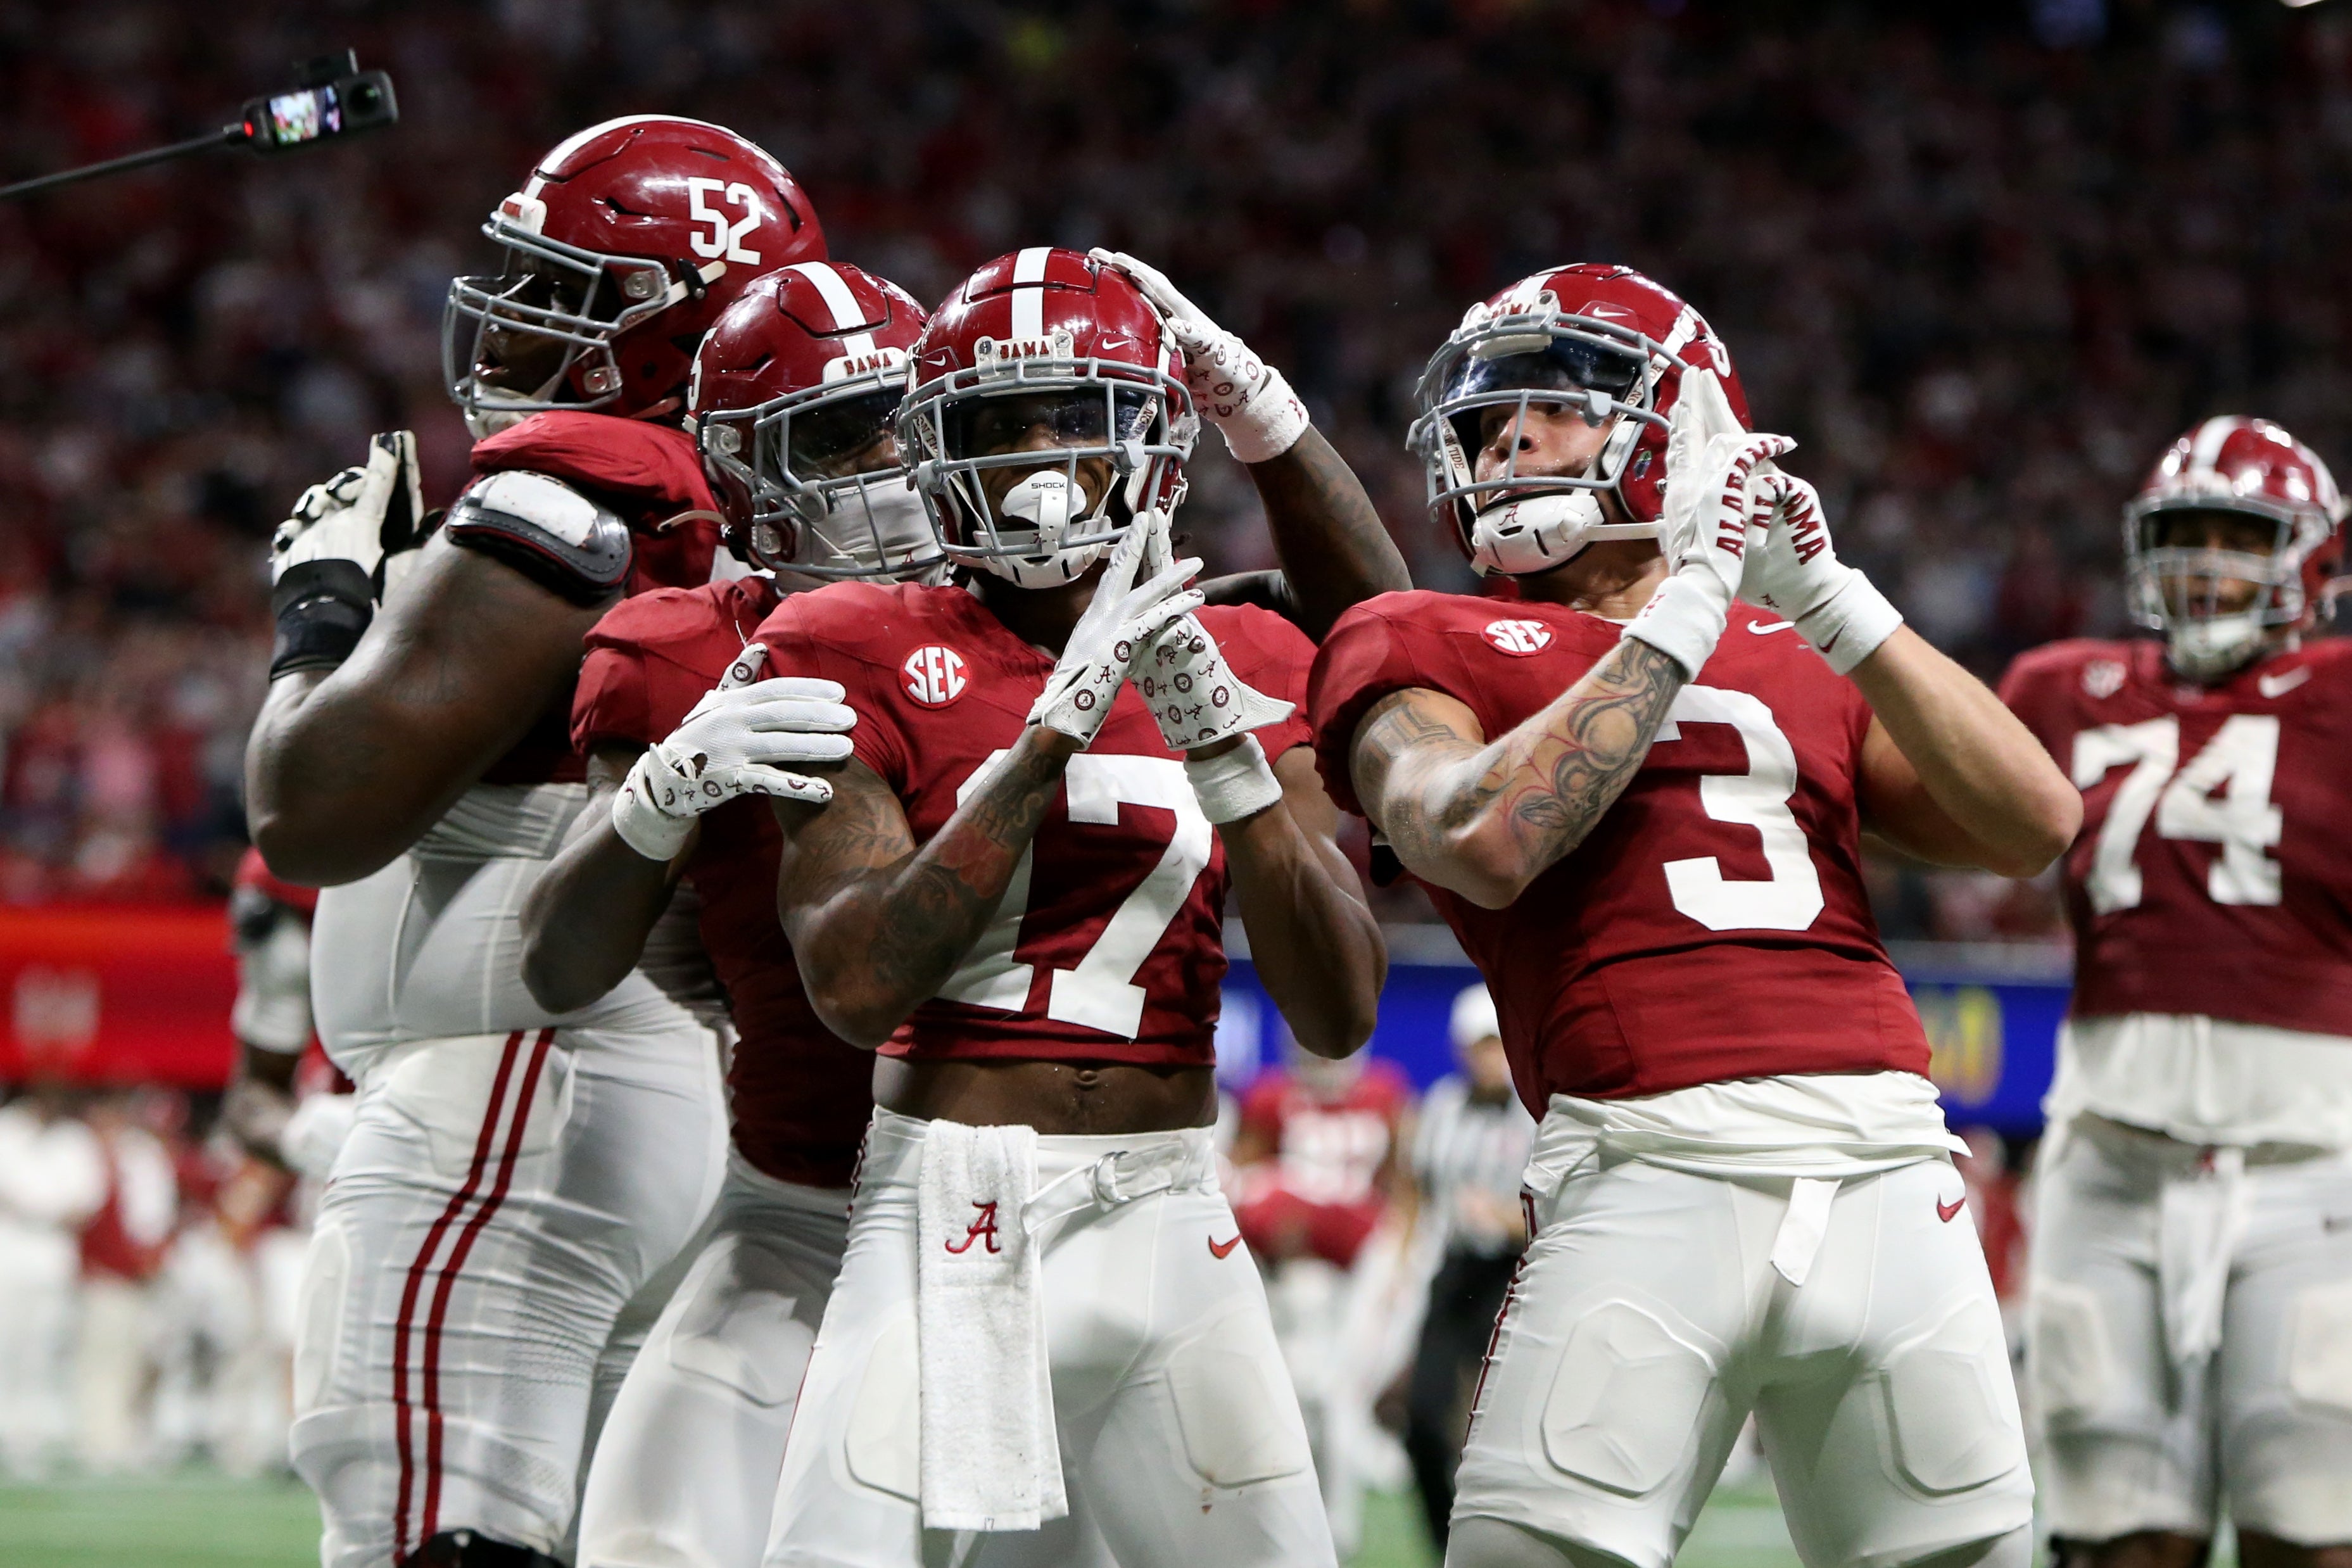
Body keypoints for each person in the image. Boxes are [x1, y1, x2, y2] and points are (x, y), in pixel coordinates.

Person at [1309, 263, 2080, 1568]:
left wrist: (1838, 602)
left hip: (1892, 1163)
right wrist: (1678, 616)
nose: (1504, 442)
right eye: (1488, 421)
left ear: (1679, 432)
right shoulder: (1419, 633)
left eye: (1548, 408)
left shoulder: (1799, 646)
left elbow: (2038, 824)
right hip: (1645, 1161)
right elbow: (1481, 836)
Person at [242, 117, 849, 1568]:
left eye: (574, 290)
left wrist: (321, 608)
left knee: (424, 1522)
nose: (516, 317)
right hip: (587, 1069)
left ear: (688, 329)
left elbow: (309, 811)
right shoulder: (698, 512)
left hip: (521, 1069)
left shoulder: (572, 487)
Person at [752, 245, 1401, 1568]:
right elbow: (856, 984)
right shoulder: (854, 638)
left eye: (1077, 415)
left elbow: (1337, 1009)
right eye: (999, 424)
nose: (1039, 458)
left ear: (1153, 442)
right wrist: (1039, 748)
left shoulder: (1245, 649)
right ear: (937, 450)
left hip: (1172, 1207)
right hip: (950, 1197)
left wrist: (1232, 760)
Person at [516, 258, 942, 1568]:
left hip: (1055, 1215)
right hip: (803, 1207)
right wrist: (658, 802)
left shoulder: (1058, 623)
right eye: (838, 434)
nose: (886, 465)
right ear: (746, 470)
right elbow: (571, 960)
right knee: (649, 1541)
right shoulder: (675, 654)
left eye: (910, 424)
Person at [1999, 417, 2352, 1568]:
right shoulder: (2061, 687)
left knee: (2309, 1526)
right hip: (2106, 1151)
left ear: (2311, 558)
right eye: (2182, 536)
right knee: (2108, 1530)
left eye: (2236, 536)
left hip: (2312, 1163)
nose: (2203, 564)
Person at [1229, 1038, 1417, 1557]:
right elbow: (1240, 1175)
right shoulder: (1270, 1096)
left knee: (1339, 1395)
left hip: (1362, 1266)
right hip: (1293, 1271)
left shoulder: (1385, 1092)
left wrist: (1399, 1261)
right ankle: (1290, 1516)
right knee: (1287, 1393)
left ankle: (1337, 1527)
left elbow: (1404, 1184)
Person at [1402, 983, 1536, 1553]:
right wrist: (1397, 1268)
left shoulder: (1537, 1113)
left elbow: (1569, 1210)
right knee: (1425, 1419)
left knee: (1507, 1430)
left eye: (1497, 1045)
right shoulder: (1440, 1108)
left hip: (1522, 1276)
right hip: (1454, 1272)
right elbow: (1414, 1192)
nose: (1490, 1059)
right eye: (1481, 1046)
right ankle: (1448, 1550)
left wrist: (1508, 1220)